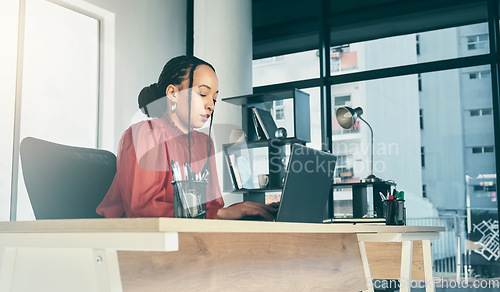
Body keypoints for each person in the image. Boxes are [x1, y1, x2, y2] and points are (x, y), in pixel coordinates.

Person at [96, 55, 277, 220]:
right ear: (173, 94)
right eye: (203, 94)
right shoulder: (146, 133)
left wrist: (242, 210)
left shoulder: (205, 143)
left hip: (184, 236)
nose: (210, 105)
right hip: (132, 239)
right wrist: (219, 214)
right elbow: (143, 209)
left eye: (214, 98)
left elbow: (212, 208)